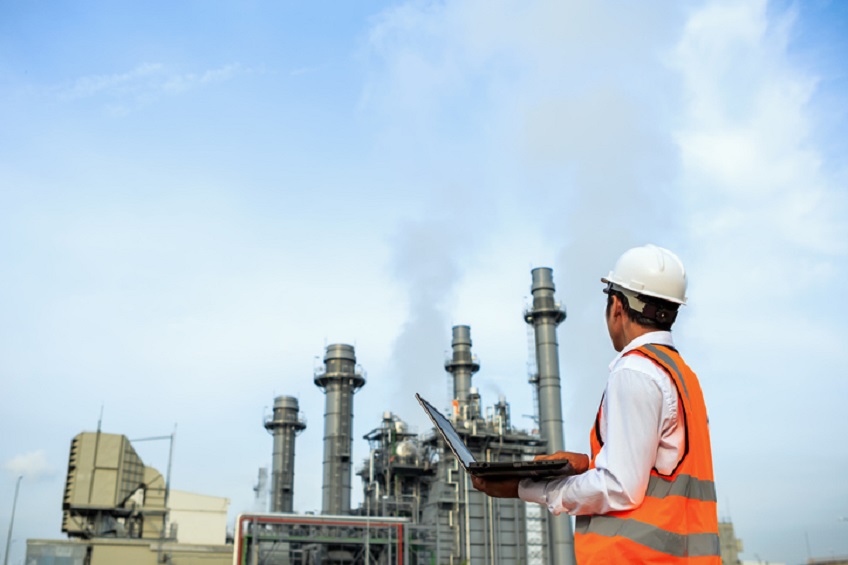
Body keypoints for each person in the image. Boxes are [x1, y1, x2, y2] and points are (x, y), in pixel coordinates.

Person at [472, 244, 720, 564]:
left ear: (616, 306)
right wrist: (590, 464)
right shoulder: (683, 377)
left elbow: (619, 487)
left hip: (637, 557)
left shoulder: (635, 370)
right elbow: (657, 473)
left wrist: (527, 487)